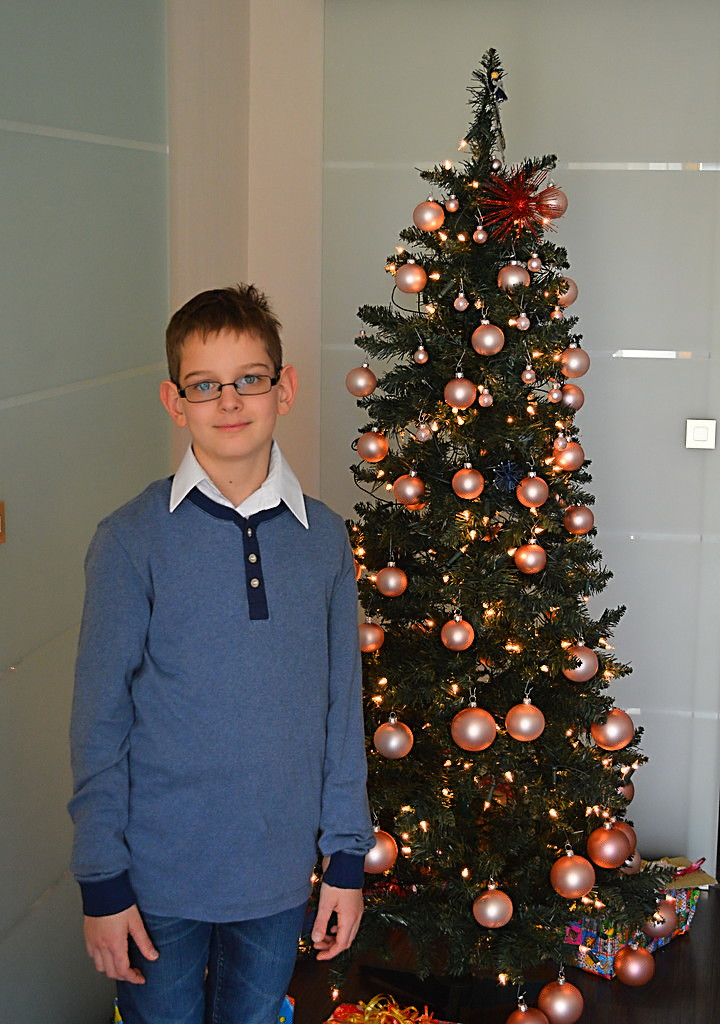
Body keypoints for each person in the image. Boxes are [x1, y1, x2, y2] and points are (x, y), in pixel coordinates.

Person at [68, 284, 372, 1024]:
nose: (229, 402)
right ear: (175, 402)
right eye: (204, 385)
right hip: (155, 883)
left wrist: (345, 859)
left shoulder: (324, 540)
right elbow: (99, 724)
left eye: (250, 379)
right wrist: (102, 881)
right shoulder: (130, 540)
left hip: (277, 879)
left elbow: (342, 709)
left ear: (284, 388)